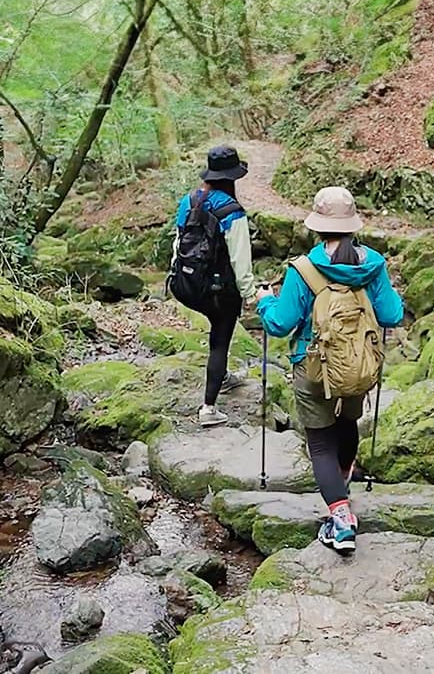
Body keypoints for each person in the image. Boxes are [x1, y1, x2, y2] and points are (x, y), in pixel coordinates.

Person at [256, 186, 403, 553]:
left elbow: (279, 324)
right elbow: (392, 315)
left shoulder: (303, 270)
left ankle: (340, 522)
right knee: (347, 427)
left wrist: (264, 303)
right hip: (358, 368)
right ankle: (341, 492)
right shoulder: (373, 265)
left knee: (320, 443)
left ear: (317, 226)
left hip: (313, 366)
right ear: (353, 225)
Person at [172, 145, 256, 427]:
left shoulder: (189, 200)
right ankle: (208, 408)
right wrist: (250, 294)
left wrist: (178, 277)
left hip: (187, 285)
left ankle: (222, 375)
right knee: (220, 340)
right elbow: (241, 259)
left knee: (216, 329)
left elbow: (178, 243)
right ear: (231, 177)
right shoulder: (232, 211)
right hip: (219, 291)